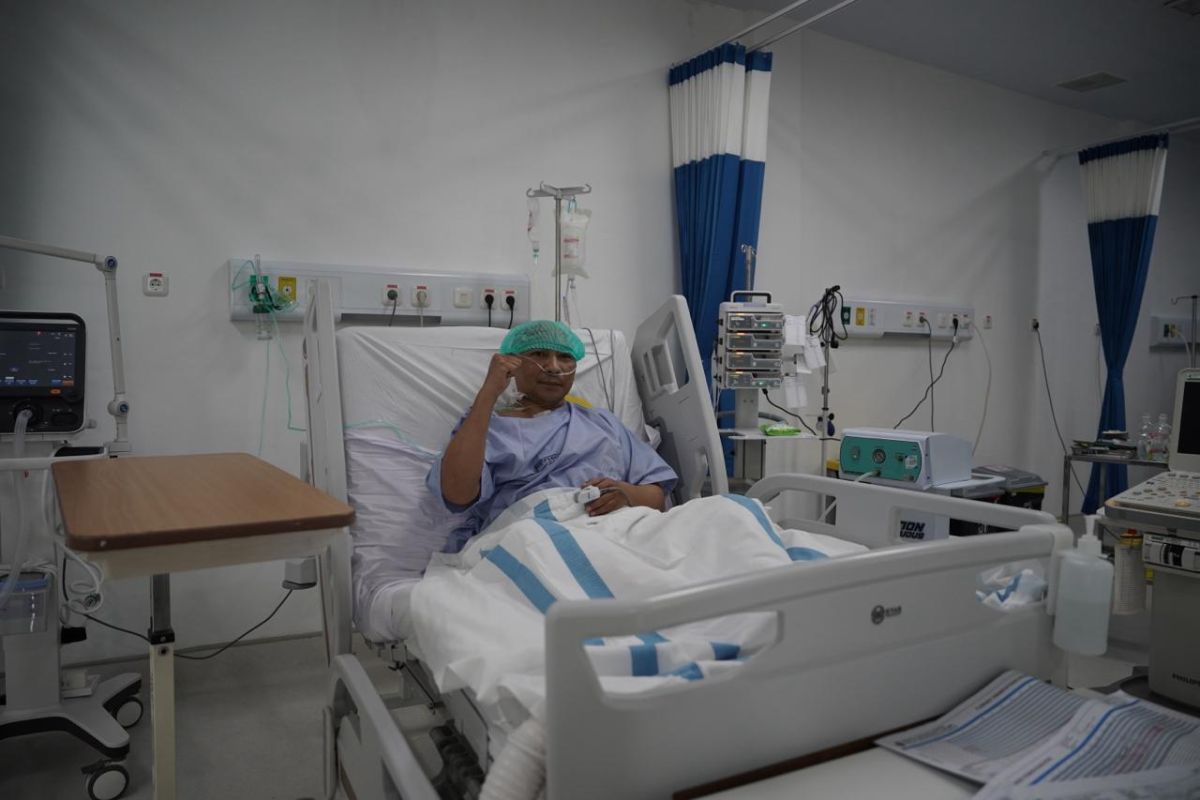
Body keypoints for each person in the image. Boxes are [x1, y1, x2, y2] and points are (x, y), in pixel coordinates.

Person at [427, 320, 678, 552]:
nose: (554, 367)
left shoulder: (603, 423)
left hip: (612, 534)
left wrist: (626, 494)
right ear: (513, 363)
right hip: (531, 539)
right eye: (538, 354)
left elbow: (657, 496)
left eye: (565, 357)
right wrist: (489, 392)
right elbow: (456, 494)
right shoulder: (487, 427)